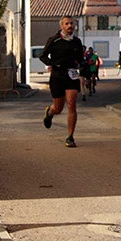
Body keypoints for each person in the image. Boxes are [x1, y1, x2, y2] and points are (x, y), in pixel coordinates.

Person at [39, 15, 84, 148]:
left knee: (71, 104)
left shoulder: (77, 41)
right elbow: (42, 55)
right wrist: (51, 64)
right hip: (58, 75)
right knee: (58, 107)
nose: (70, 26)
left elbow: (80, 59)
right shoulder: (54, 40)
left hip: (72, 75)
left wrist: (80, 67)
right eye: (67, 24)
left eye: (71, 24)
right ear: (61, 26)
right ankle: (50, 112)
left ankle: (70, 137)